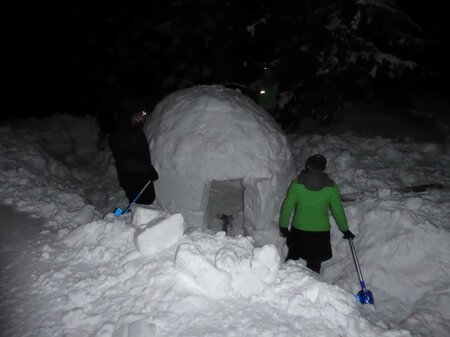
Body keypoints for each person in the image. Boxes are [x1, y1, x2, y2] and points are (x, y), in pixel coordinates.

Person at [279, 154, 355, 273]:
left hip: (299, 231)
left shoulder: (297, 183)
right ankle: (314, 286)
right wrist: (345, 230)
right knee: (314, 264)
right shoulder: (331, 187)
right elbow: (338, 211)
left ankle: (284, 278)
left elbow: (287, 206)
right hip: (320, 234)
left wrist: (283, 226)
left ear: (308, 166)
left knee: (292, 256)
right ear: (323, 168)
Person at [108, 110, 159, 205]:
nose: (141, 117)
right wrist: (148, 170)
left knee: (148, 199)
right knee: (141, 203)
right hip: (132, 177)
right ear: (130, 115)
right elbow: (126, 161)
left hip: (140, 175)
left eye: (143, 115)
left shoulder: (135, 130)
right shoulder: (124, 132)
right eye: (139, 114)